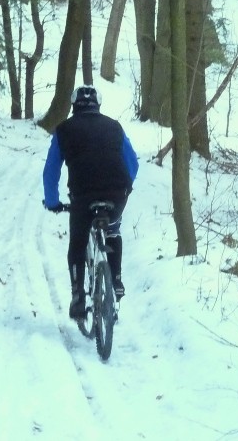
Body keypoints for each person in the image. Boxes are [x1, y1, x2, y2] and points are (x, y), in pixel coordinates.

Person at [42, 85, 139, 319]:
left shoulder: (64, 129)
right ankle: (116, 281)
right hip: (117, 193)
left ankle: (78, 297)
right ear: (98, 105)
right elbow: (133, 162)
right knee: (113, 230)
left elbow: (51, 171)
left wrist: (53, 202)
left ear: (74, 105)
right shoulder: (114, 126)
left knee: (78, 243)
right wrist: (126, 187)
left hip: (83, 196)